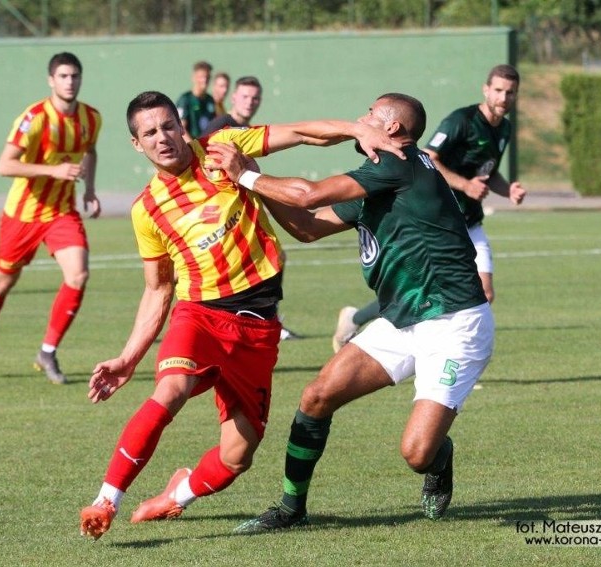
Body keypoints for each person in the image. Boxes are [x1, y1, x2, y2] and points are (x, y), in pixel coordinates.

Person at [78, 90, 402, 541]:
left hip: (259, 325)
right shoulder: (146, 210)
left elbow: (301, 133)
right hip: (201, 316)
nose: (161, 137)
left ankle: (177, 495)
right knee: (170, 390)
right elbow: (159, 289)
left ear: (181, 125)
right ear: (137, 144)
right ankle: (105, 499)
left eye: (167, 125)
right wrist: (128, 358)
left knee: (237, 457)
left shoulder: (223, 148)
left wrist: (356, 128)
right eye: (149, 133)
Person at [206, 92, 494, 533]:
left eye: (371, 116)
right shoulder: (376, 180)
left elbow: (307, 195)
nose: (361, 121)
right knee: (316, 396)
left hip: (454, 321)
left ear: (393, 130)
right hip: (403, 319)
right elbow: (306, 226)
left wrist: (245, 175)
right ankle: (291, 509)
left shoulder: (395, 164)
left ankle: (440, 455)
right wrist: (258, 180)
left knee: (417, 454)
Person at [332, 64, 524, 352]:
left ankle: (451, 361)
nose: (504, 98)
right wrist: (465, 185)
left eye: (510, 93)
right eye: (498, 90)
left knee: (483, 292)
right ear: (486, 90)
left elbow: (488, 171)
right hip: (438, 223)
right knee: (417, 294)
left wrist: (506, 189)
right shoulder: (462, 121)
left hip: (469, 221)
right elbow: (429, 158)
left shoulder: (505, 129)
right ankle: (358, 320)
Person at [0, 51, 101, 384]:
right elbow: (4, 165)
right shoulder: (36, 117)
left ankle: (48, 352)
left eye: (75, 76)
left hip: (62, 213)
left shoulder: (91, 118)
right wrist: (53, 171)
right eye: (63, 76)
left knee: (78, 274)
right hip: (23, 214)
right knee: (3, 282)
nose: (70, 82)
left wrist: (90, 191)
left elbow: (91, 151)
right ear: (51, 80)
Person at [200, 76, 301, 341]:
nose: (250, 102)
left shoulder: (245, 129)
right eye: (245, 96)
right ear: (233, 98)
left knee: (274, 255)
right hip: (222, 213)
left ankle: (267, 319)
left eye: (255, 97)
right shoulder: (221, 127)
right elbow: (203, 167)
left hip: (244, 206)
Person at [175, 60, 216, 140]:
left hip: (207, 146)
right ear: (194, 78)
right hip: (191, 147)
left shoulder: (210, 100)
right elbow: (181, 129)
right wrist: (194, 148)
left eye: (207, 77)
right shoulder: (185, 99)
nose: (205, 80)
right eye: (201, 77)